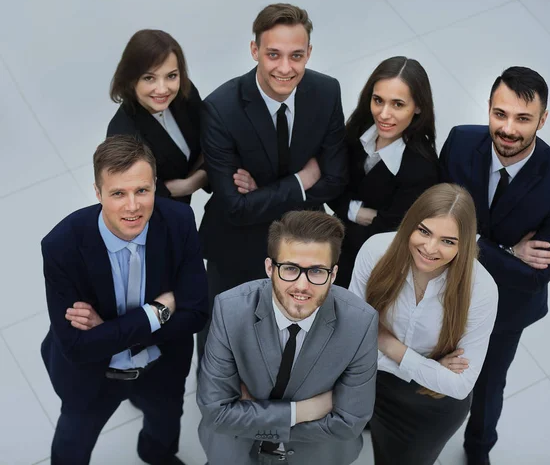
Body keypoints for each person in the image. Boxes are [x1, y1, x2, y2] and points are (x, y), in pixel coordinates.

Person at [439, 66, 550, 465]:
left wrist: (466, 243)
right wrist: (502, 248)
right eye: (500, 114)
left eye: (523, 119)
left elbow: (537, 275)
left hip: (507, 306)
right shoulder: (459, 141)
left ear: (543, 119)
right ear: (488, 107)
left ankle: (478, 448)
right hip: (443, 281)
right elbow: (432, 218)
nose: (508, 129)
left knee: (488, 383)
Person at [41, 136, 208, 465]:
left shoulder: (178, 222)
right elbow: (77, 346)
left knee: (163, 427)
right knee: (71, 446)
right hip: (92, 378)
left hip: (162, 366)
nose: (132, 206)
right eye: (118, 193)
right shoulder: (61, 245)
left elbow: (197, 313)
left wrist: (108, 331)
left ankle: (154, 454)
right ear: (98, 192)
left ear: (155, 186)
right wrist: (155, 313)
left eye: (142, 191)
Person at [196, 3, 347, 357]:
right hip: (235, 247)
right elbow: (235, 208)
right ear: (254, 51)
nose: (285, 68)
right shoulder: (220, 108)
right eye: (273, 54)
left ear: (309, 52)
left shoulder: (326, 92)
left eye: (296, 55)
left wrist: (262, 194)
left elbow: (336, 179)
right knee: (221, 336)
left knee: (291, 334)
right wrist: (301, 181)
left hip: (302, 244)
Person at [197, 211, 378, 465]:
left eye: (316, 271)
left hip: (317, 456)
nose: (302, 286)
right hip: (235, 454)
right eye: (290, 268)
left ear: (334, 274)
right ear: (269, 268)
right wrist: (301, 412)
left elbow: (349, 423)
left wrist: (248, 416)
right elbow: (216, 413)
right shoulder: (230, 309)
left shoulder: (360, 322)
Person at [349, 183, 498, 465]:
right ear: (410, 223)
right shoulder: (376, 250)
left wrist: (387, 343)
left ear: (464, 244)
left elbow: (459, 385)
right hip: (369, 381)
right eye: (424, 231)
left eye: (448, 241)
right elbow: (352, 336)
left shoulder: (481, 290)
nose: (430, 249)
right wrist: (430, 367)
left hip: (429, 405)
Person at [329, 56, 440, 288]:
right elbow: (331, 187)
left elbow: (391, 230)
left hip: (372, 265)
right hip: (333, 245)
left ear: (418, 106)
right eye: (378, 100)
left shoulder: (423, 167)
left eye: (398, 104)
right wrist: (361, 213)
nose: (383, 114)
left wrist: (347, 208)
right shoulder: (359, 128)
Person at [108, 29, 207, 204]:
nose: (162, 89)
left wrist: (192, 183)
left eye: (171, 76)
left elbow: (214, 137)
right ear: (131, 79)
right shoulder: (121, 135)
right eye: (149, 78)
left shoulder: (185, 92)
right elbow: (140, 198)